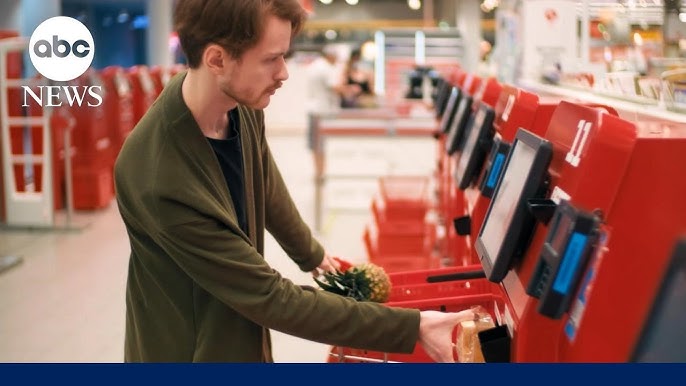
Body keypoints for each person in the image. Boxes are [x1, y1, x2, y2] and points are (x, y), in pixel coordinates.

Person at [114, 0, 476, 363]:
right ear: (217, 59)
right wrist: (413, 327)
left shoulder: (240, 105)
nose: (284, 73)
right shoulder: (161, 175)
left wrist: (312, 255)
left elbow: (264, 181)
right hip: (188, 351)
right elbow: (270, 298)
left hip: (239, 331)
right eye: (271, 59)